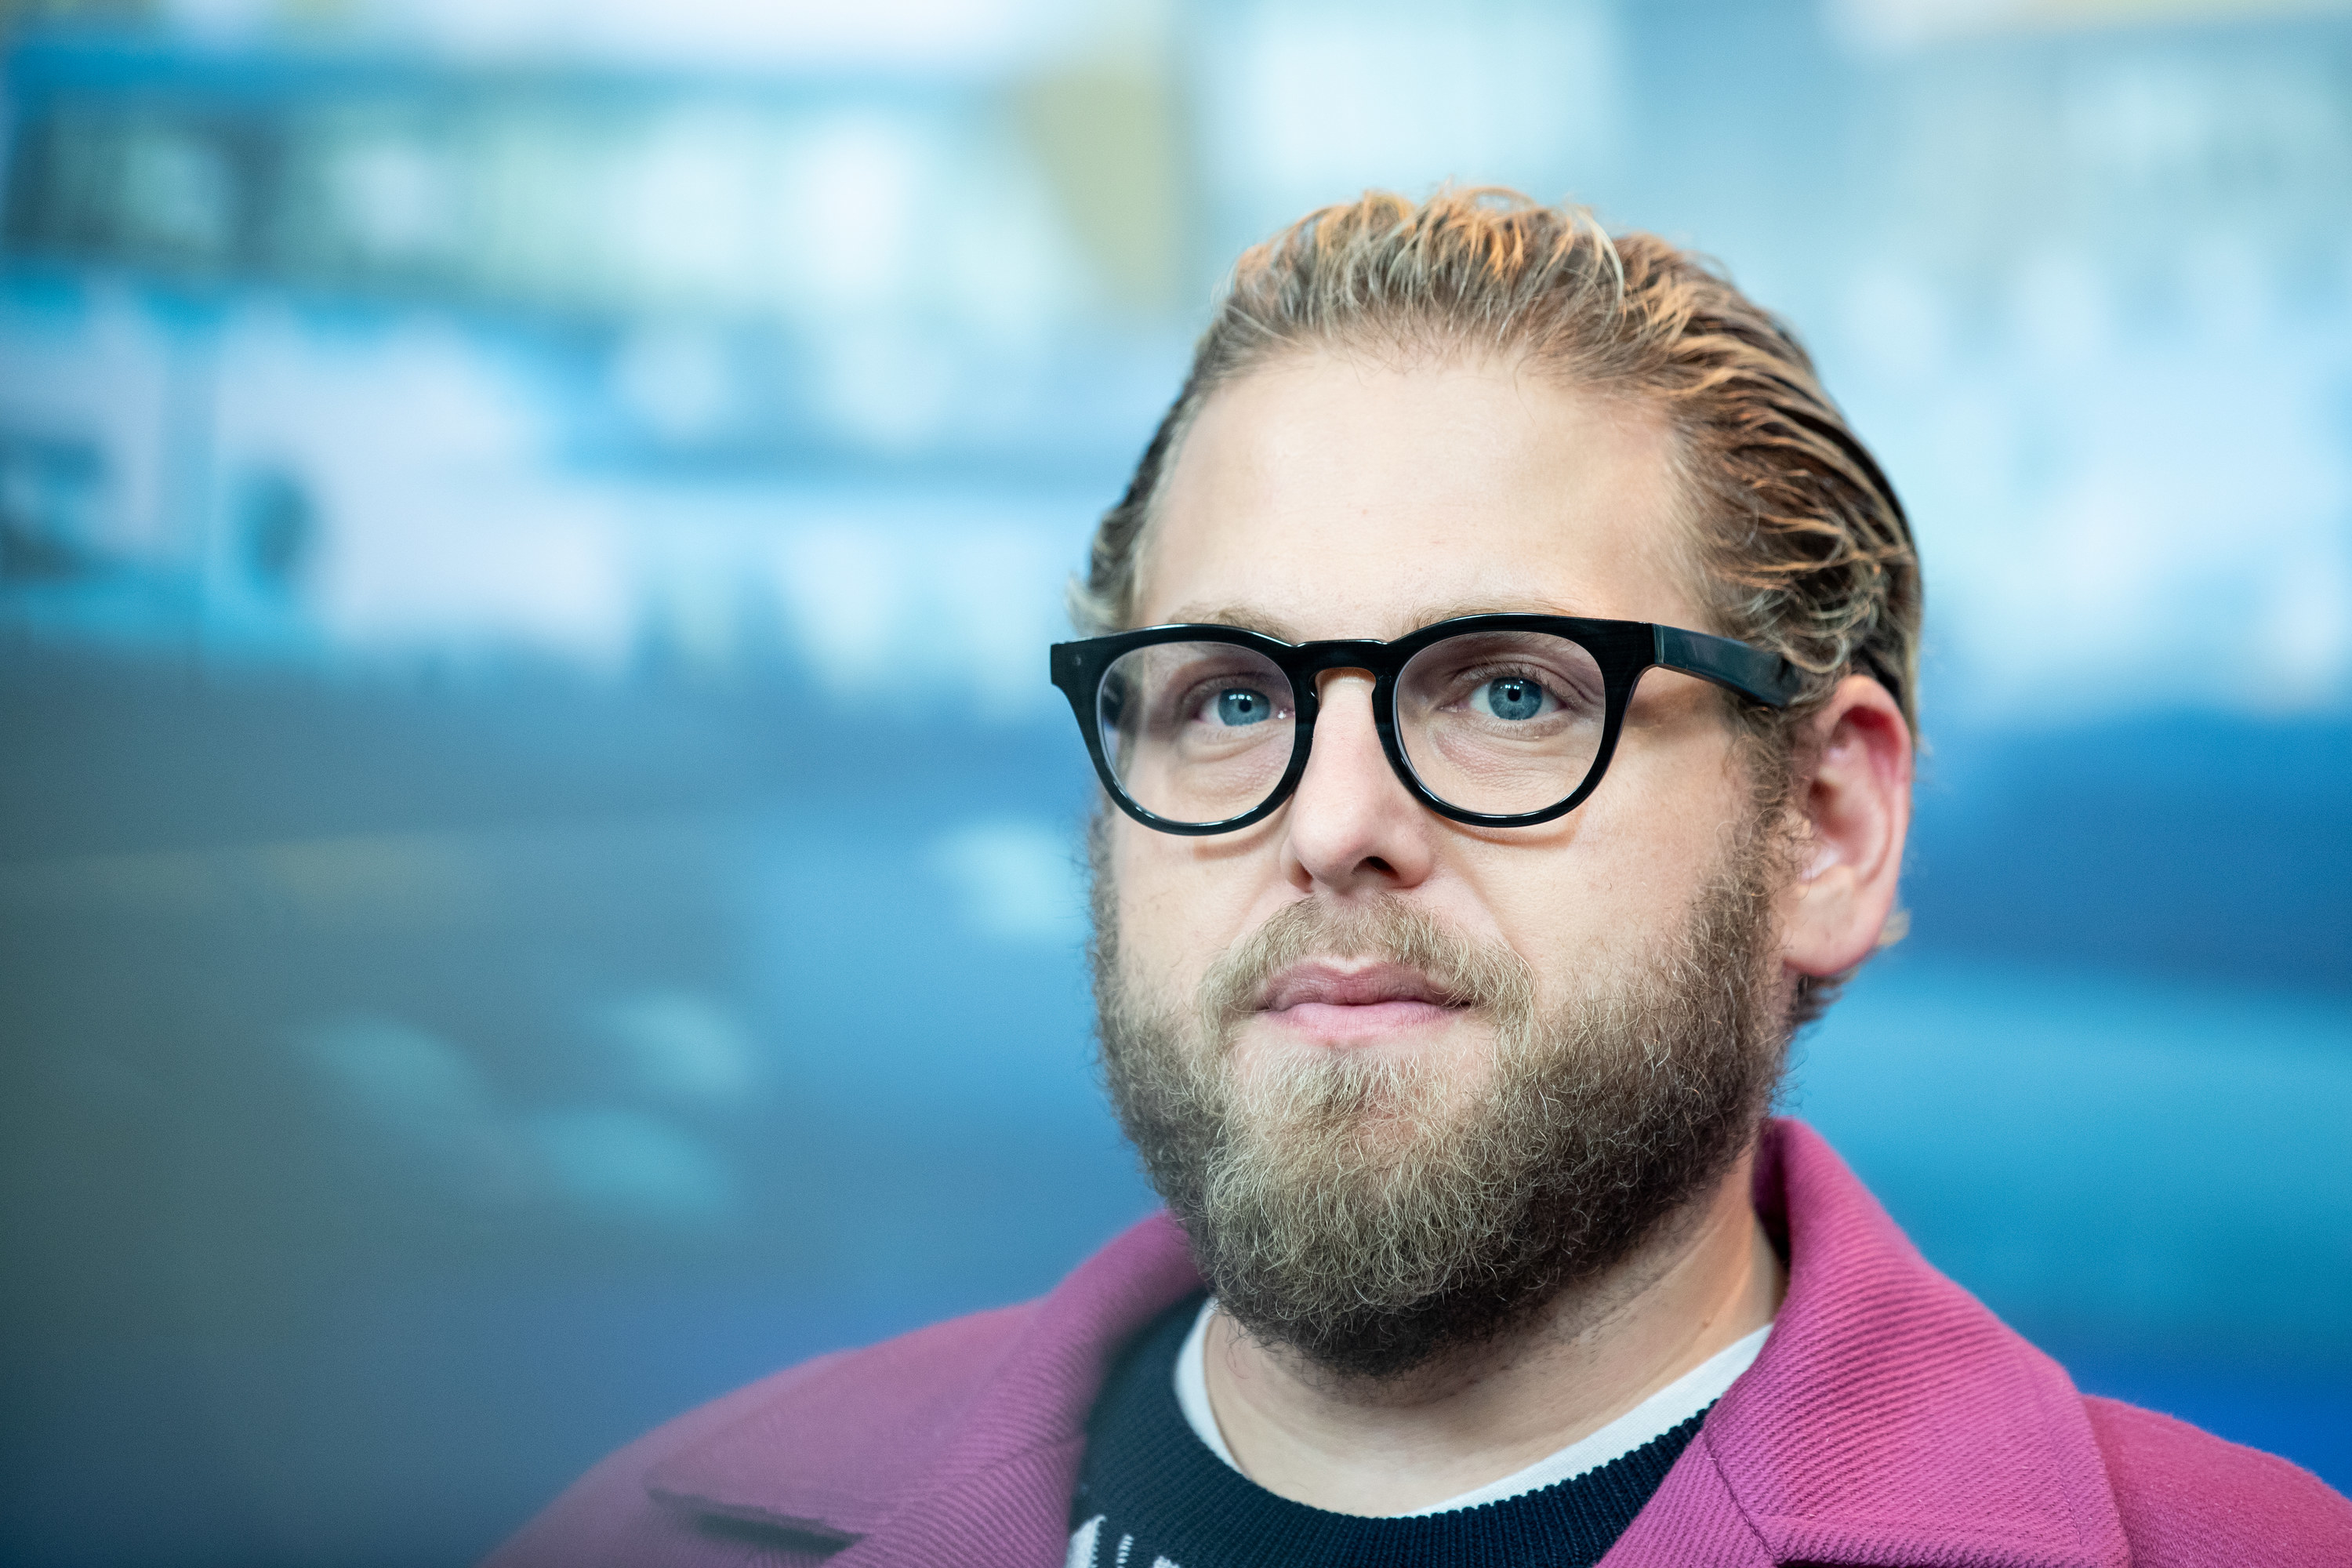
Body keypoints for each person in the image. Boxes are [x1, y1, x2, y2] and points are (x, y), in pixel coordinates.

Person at [486, 190, 2352, 1567]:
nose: (1332, 819)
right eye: (1229, 697)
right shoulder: (647, 1532)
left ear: (1831, 830)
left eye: (1514, 691)